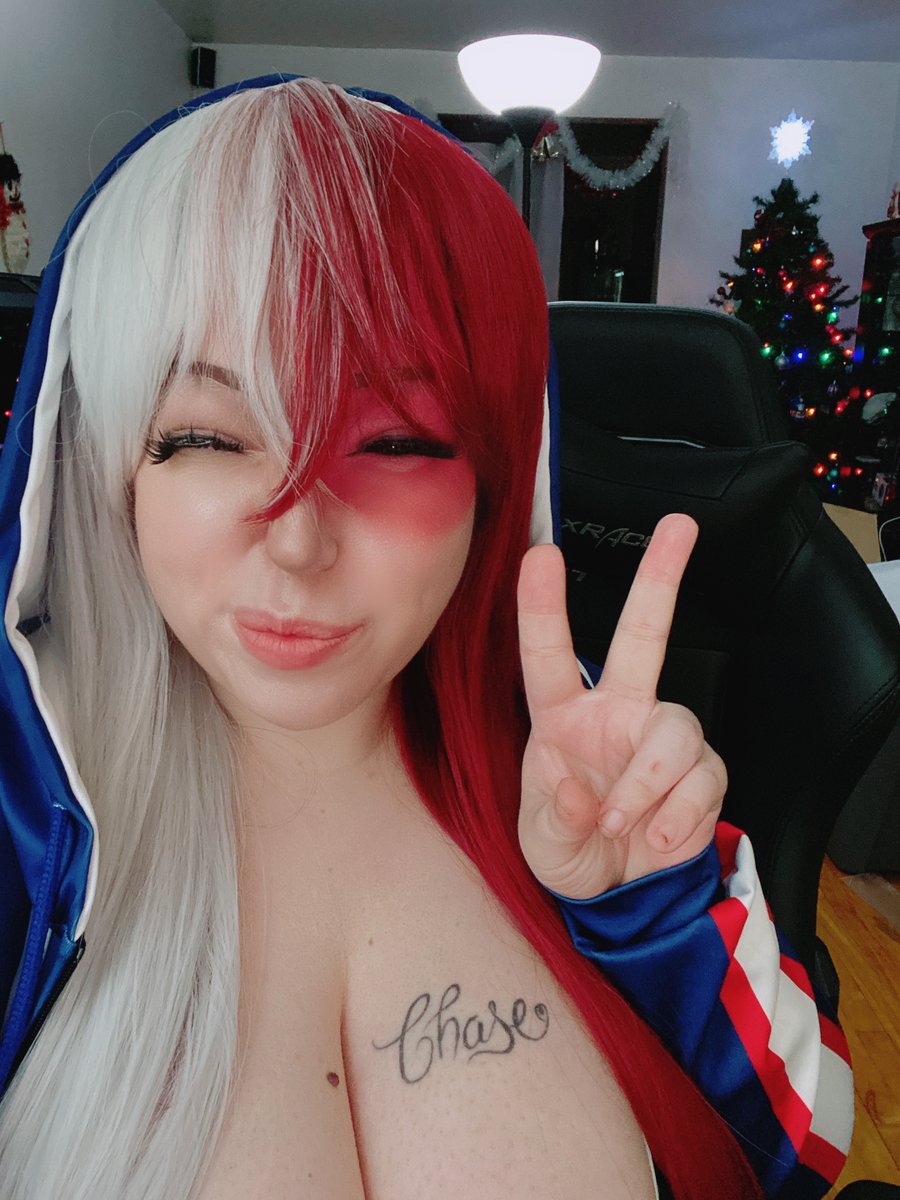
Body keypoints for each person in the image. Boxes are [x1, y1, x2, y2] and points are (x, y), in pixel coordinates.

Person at [0, 75, 851, 1199]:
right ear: (107, 464)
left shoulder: (579, 780)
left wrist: (654, 910)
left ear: (494, 482)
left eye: (395, 441)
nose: (298, 541)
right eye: (206, 436)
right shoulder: (22, 822)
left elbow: (808, 1149)